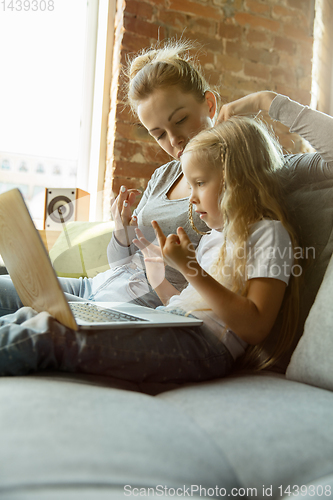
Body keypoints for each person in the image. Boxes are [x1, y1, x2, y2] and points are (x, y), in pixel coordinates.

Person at [1, 89, 332, 382]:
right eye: (158, 133)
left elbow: (254, 327)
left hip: (205, 348)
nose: (191, 196)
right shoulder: (217, 234)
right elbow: (192, 303)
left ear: (238, 179)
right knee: (33, 314)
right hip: (173, 322)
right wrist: (160, 277)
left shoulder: (268, 233)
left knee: (49, 334)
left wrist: (266, 101)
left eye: (200, 184)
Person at [0, 39, 215, 317]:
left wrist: (265, 103)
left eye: (181, 119)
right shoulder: (164, 176)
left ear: (209, 105)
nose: (174, 140)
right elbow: (121, 265)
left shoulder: (229, 178)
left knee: (22, 322)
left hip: (129, 306)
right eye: (159, 134)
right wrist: (121, 234)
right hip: (93, 287)